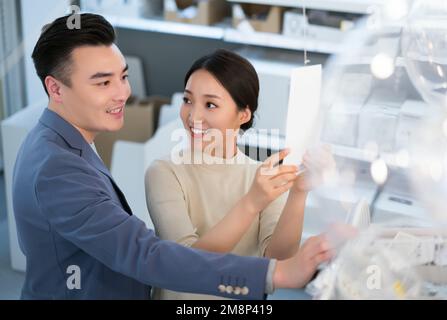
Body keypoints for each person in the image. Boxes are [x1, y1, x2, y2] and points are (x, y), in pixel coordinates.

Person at [12, 13, 334, 300]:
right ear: (55, 89)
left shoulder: (64, 142)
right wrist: (275, 274)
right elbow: (146, 256)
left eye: (123, 77)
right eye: (103, 82)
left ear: (244, 114)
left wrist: (297, 193)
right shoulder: (59, 168)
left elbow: (275, 250)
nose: (123, 93)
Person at [146, 49, 335, 299]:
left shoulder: (261, 177)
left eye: (210, 104)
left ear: (243, 114)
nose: (193, 116)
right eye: (188, 100)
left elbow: (279, 259)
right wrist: (252, 202)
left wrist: (298, 192)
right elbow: (187, 265)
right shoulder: (164, 172)